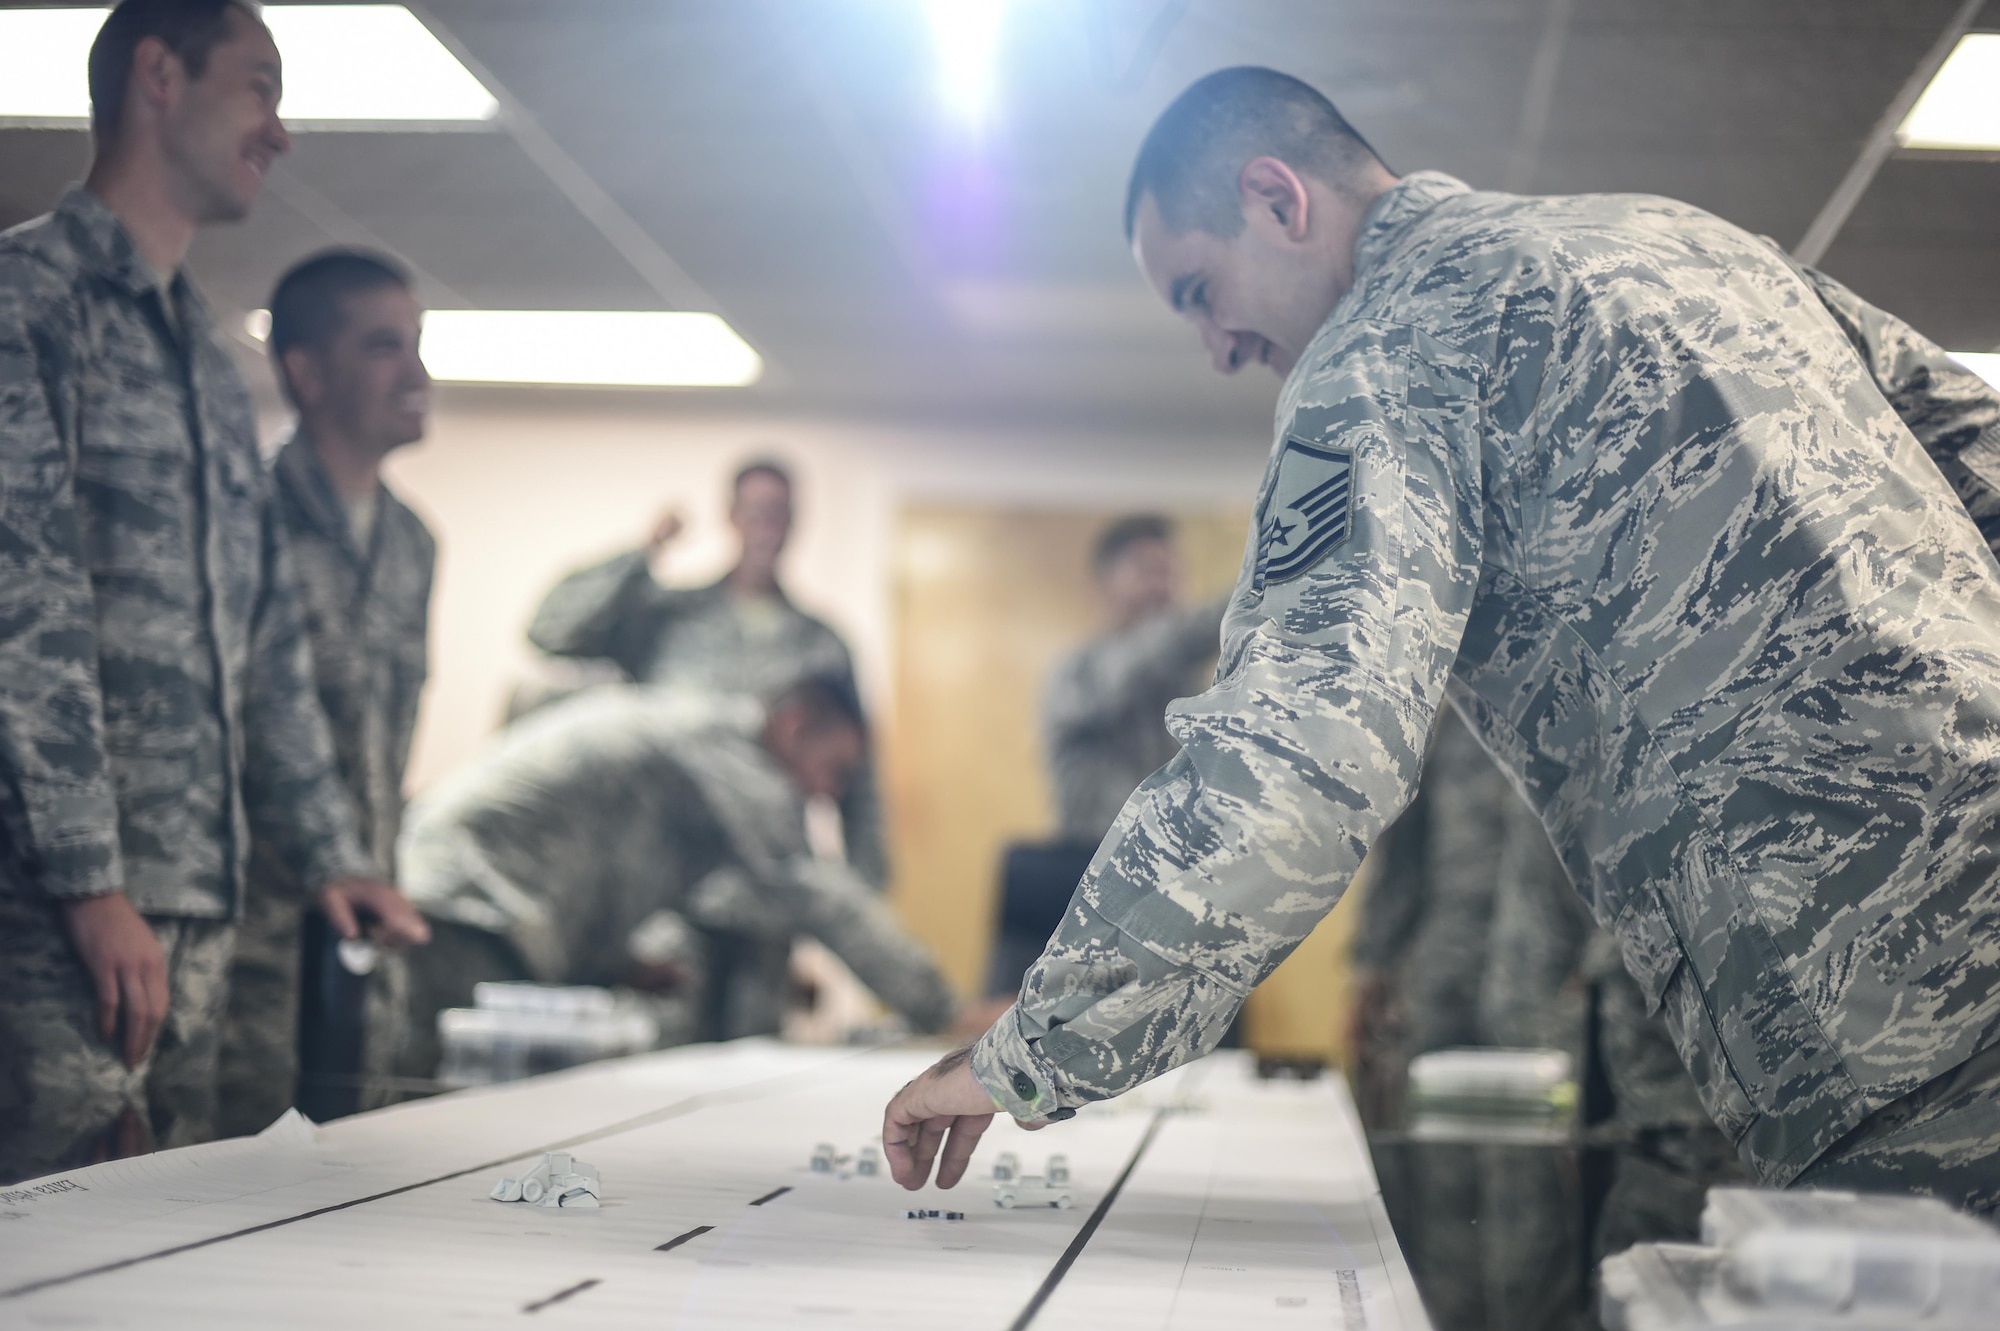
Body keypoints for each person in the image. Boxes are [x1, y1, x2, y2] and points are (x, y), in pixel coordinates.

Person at [884, 66, 2000, 1214]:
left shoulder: (1379, 354)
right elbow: (1980, 458)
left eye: (1200, 291)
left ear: (1276, 198)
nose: (1215, 346)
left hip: (1868, 979)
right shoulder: (1688, 239)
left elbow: (1298, 750)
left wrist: (1035, 1044)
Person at [0, 0, 425, 1185]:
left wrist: (334, 854)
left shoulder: (207, 362)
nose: (278, 132)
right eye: (260, 89)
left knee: (167, 1233)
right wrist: (90, 880)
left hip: (195, 904)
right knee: (45, 1237)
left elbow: (265, 642)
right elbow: (23, 610)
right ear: (159, 75)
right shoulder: (28, 301)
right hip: (53, 911)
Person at [387, 678, 958, 1078]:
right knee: (430, 1110)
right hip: (467, 902)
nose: (825, 792)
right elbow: (811, 891)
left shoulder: (698, 741)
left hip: (466, 896)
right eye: (834, 770)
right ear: (795, 725)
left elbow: (621, 862)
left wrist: (617, 961)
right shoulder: (734, 755)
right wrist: (946, 1013)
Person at [214, 250, 437, 1136]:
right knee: (235, 1156)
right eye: (384, 347)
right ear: (305, 371)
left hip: (364, 916)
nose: (417, 373)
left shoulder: (414, 542)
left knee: (352, 1150)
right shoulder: (245, 513)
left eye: (417, 343)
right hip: (250, 922)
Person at [527, 460, 887, 886]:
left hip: (766, 868)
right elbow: (551, 632)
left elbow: (858, 781)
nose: (766, 527)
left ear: (795, 522)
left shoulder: (822, 645)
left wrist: (862, 898)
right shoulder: (669, 618)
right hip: (658, 862)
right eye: (755, 511)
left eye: (778, 513)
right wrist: (643, 552)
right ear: (731, 516)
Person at [1043, 514, 1227, 845]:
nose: (1162, 586)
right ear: (1104, 583)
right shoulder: (1079, 672)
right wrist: (1254, 594)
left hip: (1178, 858)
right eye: (1147, 571)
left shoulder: (1186, 679)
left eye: (1172, 572)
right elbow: (1157, 649)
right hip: (1093, 860)